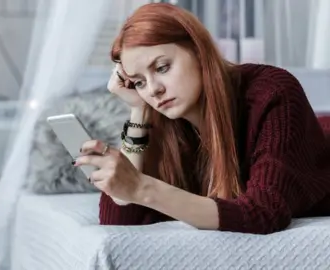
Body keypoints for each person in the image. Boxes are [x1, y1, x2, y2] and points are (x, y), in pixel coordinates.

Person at [73, 3, 330, 234]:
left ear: (198, 51)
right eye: (139, 82)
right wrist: (138, 112)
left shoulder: (272, 91)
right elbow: (118, 221)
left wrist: (142, 188)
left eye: (162, 68)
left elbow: (264, 213)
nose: (153, 89)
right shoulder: (162, 116)